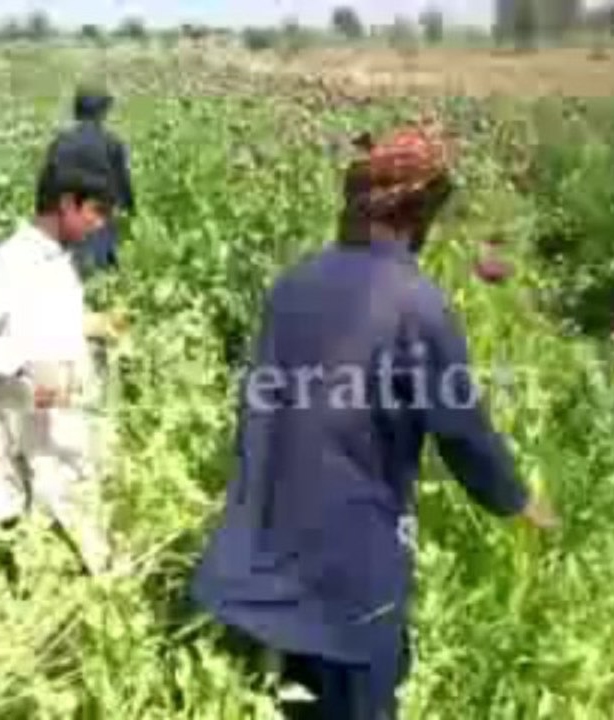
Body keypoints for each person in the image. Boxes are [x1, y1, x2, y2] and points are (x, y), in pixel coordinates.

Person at [190, 124, 559, 719]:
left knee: (292, 696)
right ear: (419, 214)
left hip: (273, 538)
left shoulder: (294, 283)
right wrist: (516, 500)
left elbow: (259, 403)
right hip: (352, 556)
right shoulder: (415, 302)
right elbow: (462, 429)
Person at [0, 147, 125, 578]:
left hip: (58, 408)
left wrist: (91, 324)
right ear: (66, 203)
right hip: (24, 408)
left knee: (73, 493)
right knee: (28, 505)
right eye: (95, 212)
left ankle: (83, 582)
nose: (99, 224)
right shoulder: (12, 261)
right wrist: (26, 365)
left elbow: (38, 319)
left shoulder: (57, 257)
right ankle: (42, 593)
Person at [38, 81, 135, 271]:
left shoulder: (60, 142)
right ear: (103, 111)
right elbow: (123, 186)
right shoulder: (112, 143)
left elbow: (45, 184)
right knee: (99, 267)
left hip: (64, 219)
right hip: (97, 221)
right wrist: (131, 213)